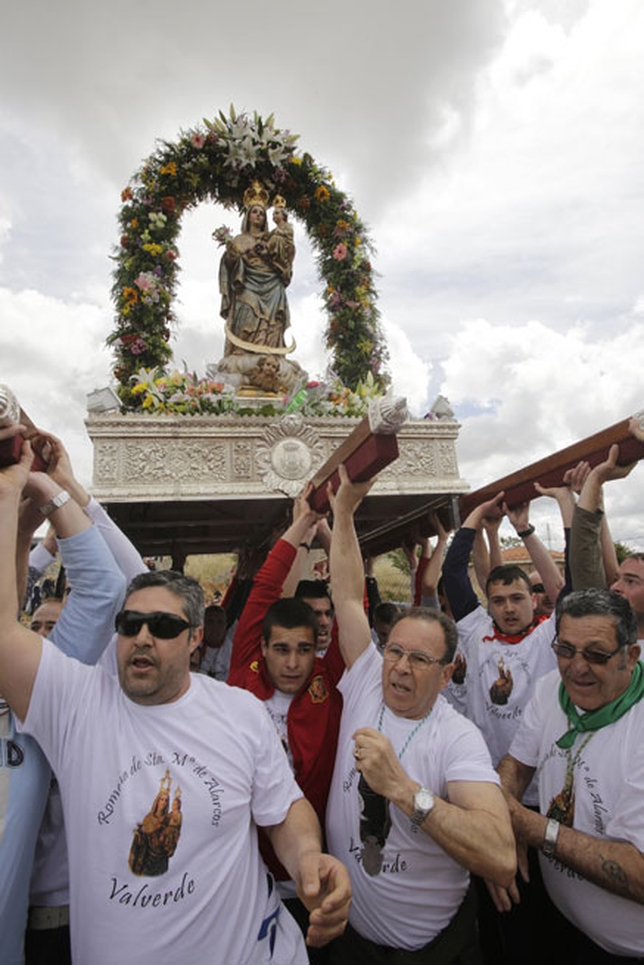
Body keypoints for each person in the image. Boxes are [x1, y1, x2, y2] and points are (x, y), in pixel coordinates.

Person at [0, 440, 351, 964]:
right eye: (130, 624)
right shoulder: (73, 704)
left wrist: (306, 858)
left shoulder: (239, 711)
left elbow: (284, 809)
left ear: (194, 640)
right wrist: (14, 493)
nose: (142, 637)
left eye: (162, 627)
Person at [325, 466, 515, 963]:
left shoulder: (458, 738)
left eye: (420, 660)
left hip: (430, 951)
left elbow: (499, 854)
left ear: (449, 669)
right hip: (350, 939)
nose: (400, 668)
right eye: (394, 651)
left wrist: (404, 791)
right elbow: (346, 595)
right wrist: (344, 511)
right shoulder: (367, 677)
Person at [496, 589, 644, 962]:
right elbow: (516, 763)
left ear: (630, 655)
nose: (576, 667)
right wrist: (504, 818)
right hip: (563, 924)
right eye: (564, 650)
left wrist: (528, 826)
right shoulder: (551, 690)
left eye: (595, 654)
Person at [219, 180, 294, 357]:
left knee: (272, 322)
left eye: (262, 213)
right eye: (255, 212)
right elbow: (229, 266)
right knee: (247, 315)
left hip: (272, 285)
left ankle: (269, 357)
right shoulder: (238, 240)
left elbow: (286, 257)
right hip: (246, 285)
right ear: (248, 216)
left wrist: (270, 250)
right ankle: (242, 352)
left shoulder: (273, 237)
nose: (259, 215)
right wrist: (231, 257)